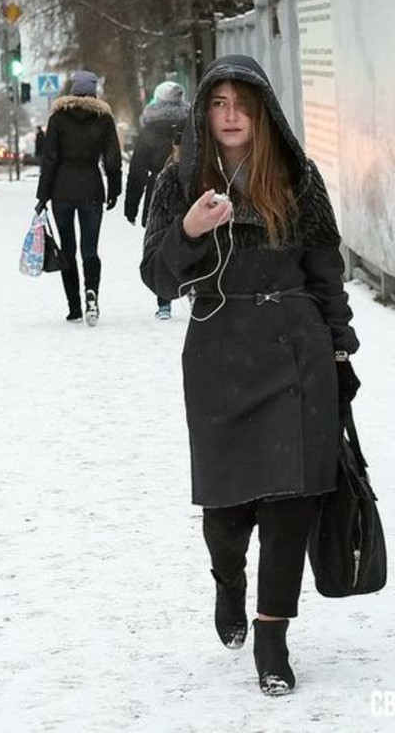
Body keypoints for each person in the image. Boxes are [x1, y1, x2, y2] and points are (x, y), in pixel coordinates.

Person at [139, 55, 360, 696]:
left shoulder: (297, 177)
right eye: (218, 102)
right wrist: (188, 229)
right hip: (217, 352)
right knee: (227, 513)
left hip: (297, 352)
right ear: (204, 112)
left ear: (262, 110)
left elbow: (326, 273)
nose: (230, 114)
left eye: (242, 102)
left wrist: (341, 351)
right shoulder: (180, 181)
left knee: (292, 503)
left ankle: (273, 635)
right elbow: (156, 276)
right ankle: (228, 578)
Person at [35, 70, 123, 326]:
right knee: (90, 249)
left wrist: (43, 195)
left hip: (61, 191)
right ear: (94, 92)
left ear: (73, 91)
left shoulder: (59, 118)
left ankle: (74, 306)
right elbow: (112, 159)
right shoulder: (103, 118)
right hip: (92, 190)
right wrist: (114, 189)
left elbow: (49, 158)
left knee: (68, 249)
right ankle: (91, 296)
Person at [124, 80, 191, 320]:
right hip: (189, 190)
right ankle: (193, 288)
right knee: (193, 237)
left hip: (158, 192)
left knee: (160, 242)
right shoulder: (192, 126)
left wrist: (131, 205)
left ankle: (164, 302)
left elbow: (138, 169)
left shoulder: (149, 130)